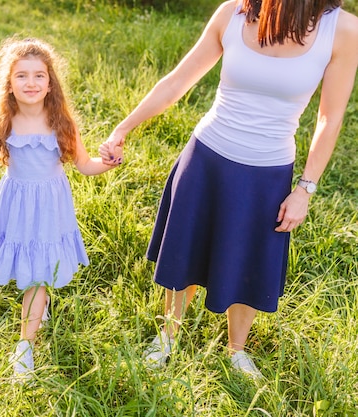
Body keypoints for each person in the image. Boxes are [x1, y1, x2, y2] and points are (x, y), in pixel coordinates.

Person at [100, 0, 358, 378]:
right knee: (186, 249)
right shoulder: (233, 13)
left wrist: (305, 188)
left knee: (250, 260)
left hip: (267, 172)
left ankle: (236, 350)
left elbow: (329, 117)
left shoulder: (343, 30)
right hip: (207, 157)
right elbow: (176, 82)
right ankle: (168, 336)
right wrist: (122, 128)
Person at [0, 37, 122, 378]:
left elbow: (86, 165)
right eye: (21, 76)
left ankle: (25, 345)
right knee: (31, 268)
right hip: (17, 205)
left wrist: (109, 163)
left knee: (37, 274)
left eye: (38, 76)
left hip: (50, 206)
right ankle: (37, 307)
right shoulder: (3, 121)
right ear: (9, 83)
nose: (30, 83)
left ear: (50, 83)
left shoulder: (62, 122)